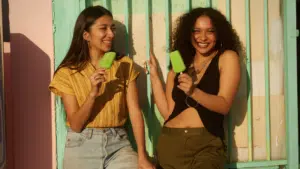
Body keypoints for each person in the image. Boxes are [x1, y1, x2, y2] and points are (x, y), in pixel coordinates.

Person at [49, 5, 155, 169]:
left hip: (119, 144)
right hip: (81, 145)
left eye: (112, 28)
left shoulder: (124, 65)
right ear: (86, 35)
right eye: (103, 29)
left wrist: (142, 155)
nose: (111, 34)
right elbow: (76, 125)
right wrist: (93, 93)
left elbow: (134, 111)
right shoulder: (66, 73)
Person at [147, 7, 241, 169]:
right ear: (188, 34)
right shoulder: (178, 66)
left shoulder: (227, 58)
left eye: (210, 31)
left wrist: (193, 91)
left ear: (219, 34)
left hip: (205, 145)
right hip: (169, 144)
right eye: (196, 31)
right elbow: (168, 112)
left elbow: (224, 105)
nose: (203, 37)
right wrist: (155, 77)